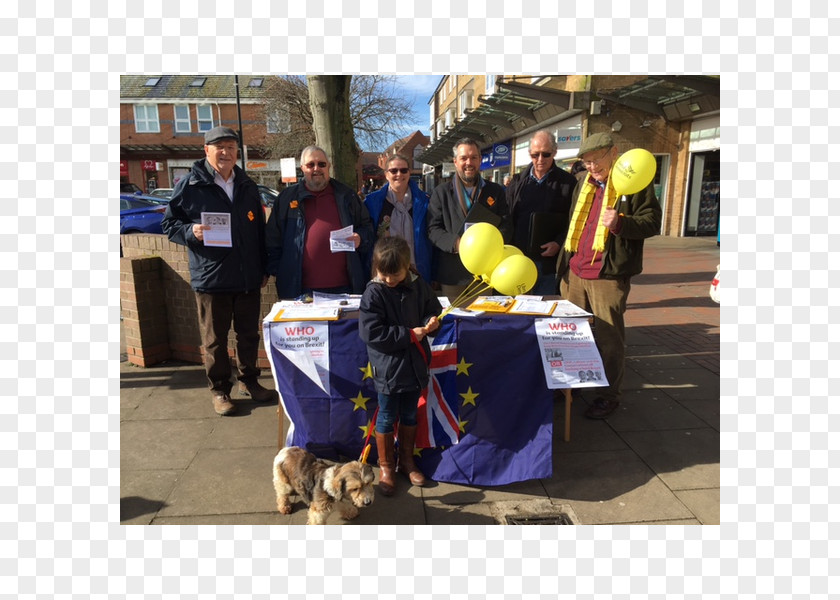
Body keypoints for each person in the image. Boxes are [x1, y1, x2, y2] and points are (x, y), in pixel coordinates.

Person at [161, 126, 277, 416]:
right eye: (219, 147)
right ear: (206, 151)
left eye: (231, 147)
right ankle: (220, 391)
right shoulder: (190, 185)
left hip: (248, 276)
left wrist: (263, 266)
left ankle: (249, 381)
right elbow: (169, 224)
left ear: (238, 151)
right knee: (215, 340)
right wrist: (190, 231)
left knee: (249, 335)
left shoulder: (247, 185)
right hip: (212, 277)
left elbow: (258, 231)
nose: (226, 152)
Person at [556, 132, 662, 419]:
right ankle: (572, 386)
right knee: (573, 336)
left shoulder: (634, 183)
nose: (591, 167)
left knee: (609, 339)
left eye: (596, 160)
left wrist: (621, 223)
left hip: (607, 274)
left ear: (613, 152)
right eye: (586, 162)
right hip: (575, 271)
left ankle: (608, 395)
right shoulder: (583, 184)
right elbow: (572, 223)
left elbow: (652, 222)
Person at [358, 236, 442, 496]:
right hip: (388, 368)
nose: (389, 280)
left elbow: (433, 307)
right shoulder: (373, 292)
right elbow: (372, 333)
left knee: (408, 414)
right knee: (386, 416)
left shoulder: (419, 285)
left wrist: (431, 322)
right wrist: (409, 335)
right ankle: (386, 465)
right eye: (384, 274)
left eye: (395, 274)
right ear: (376, 269)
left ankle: (407, 461)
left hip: (415, 365)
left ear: (407, 268)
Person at [265, 146, 374, 299]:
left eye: (322, 164)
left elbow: (367, 227)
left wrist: (360, 238)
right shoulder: (286, 199)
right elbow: (272, 239)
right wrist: (281, 271)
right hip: (300, 291)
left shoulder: (347, 196)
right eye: (311, 165)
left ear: (328, 167)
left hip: (345, 290)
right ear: (302, 168)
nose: (316, 169)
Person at [427, 137, 510, 302]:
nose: (469, 162)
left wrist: (491, 246)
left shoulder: (496, 191)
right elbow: (433, 229)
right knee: (455, 321)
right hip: (453, 274)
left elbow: (506, 224)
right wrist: (456, 244)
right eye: (464, 158)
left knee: (483, 322)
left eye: (473, 157)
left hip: (484, 274)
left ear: (480, 160)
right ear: (455, 161)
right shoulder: (441, 192)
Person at [505, 130, 578, 296]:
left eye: (546, 154)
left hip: (548, 264)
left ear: (554, 152)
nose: (540, 160)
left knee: (544, 312)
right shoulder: (517, 182)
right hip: (519, 261)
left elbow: (575, 221)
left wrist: (559, 242)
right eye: (535, 155)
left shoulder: (568, 183)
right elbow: (507, 218)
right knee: (519, 312)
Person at [363, 153, 433, 283]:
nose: (399, 174)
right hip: (384, 273)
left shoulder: (425, 202)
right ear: (386, 174)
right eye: (394, 170)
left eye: (403, 170)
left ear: (409, 172)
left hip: (417, 272)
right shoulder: (372, 202)